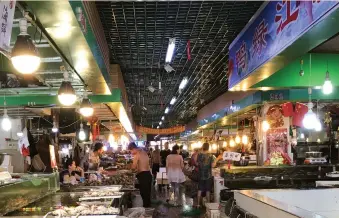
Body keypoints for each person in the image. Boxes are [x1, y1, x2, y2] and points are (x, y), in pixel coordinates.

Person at [196, 143, 221, 207]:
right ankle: (208, 205)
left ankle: (198, 204)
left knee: (199, 189)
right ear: (208, 147)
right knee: (208, 190)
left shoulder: (199, 155)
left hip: (200, 175)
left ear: (203, 147)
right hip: (208, 175)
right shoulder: (210, 156)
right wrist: (216, 160)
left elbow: (196, 163)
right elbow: (213, 166)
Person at [128, 142, 152, 208]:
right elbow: (143, 165)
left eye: (130, 151)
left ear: (133, 149)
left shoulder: (137, 155)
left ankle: (145, 212)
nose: (131, 153)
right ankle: (148, 210)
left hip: (143, 176)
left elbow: (133, 167)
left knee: (144, 195)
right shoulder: (144, 152)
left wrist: (129, 168)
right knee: (147, 196)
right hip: (148, 175)